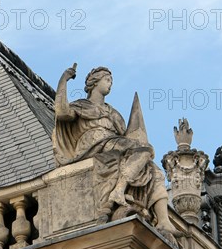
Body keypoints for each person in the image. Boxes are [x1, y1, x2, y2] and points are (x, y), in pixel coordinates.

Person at [53, 64, 177, 236]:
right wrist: (64, 80)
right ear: (95, 82)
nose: (110, 84)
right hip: (93, 147)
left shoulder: (114, 114)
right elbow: (60, 112)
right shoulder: (81, 105)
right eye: (107, 79)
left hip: (114, 146)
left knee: (154, 171)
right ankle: (119, 190)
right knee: (145, 150)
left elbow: (127, 140)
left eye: (111, 80)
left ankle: (163, 221)